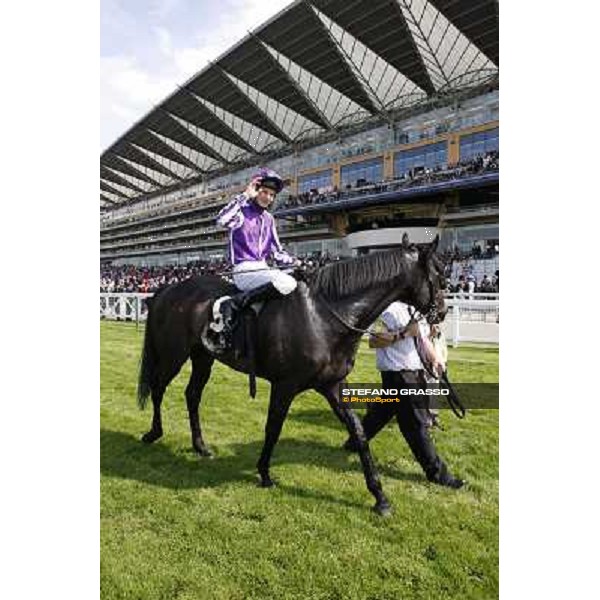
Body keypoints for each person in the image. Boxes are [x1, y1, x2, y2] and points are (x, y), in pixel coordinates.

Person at [344, 300, 465, 489]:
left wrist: (435, 359)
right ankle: (438, 474)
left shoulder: (417, 310)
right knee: (415, 425)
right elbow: (373, 341)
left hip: (414, 372)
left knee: (380, 414)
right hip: (398, 374)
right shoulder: (386, 309)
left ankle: (354, 442)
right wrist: (404, 333)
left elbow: (422, 340)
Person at [213, 168, 299, 337]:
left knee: (296, 277)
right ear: (256, 190)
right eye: (264, 192)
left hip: (262, 269)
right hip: (244, 270)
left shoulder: (269, 219)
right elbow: (221, 220)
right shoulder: (241, 212)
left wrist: (295, 262)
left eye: (272, 195)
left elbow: (277, 252)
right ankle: (234, 303)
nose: (268, 197)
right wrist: (245, 195)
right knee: (287, 282)